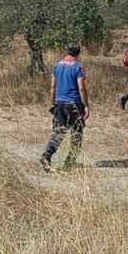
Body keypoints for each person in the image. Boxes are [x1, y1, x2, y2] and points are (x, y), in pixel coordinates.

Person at [40, 42, 90, 172]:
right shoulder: (78, 66)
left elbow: (53, 87)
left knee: (58, 132)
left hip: (59, 103)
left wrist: (53, 103)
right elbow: (81, 88)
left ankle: (47, 155)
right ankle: (69, 162)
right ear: (78, 52)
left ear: (67, 51)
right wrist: (86, 105)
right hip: (74, 104)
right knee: (77, 134)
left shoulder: (57, 65)